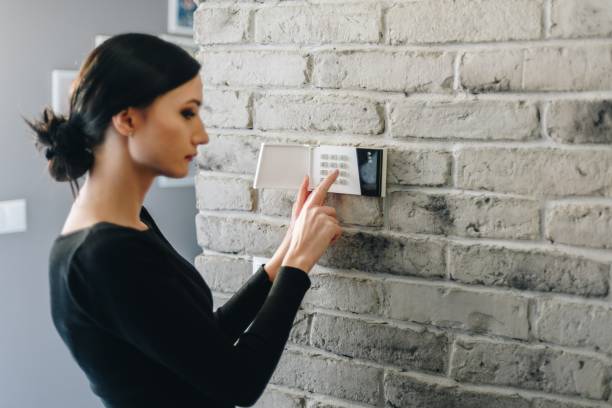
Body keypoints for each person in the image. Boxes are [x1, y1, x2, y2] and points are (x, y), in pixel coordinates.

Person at [23, 33, 342, 408]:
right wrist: (298, 264)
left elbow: (202, 344)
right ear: (127, 119)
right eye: (187, 112)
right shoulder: (105, 255)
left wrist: (284, 254)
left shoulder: (126, 226)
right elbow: (237, 381)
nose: (202, 134)